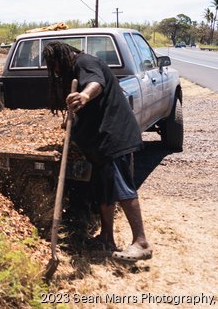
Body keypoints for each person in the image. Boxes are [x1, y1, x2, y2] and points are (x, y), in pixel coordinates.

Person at [42, 41, 152, 262]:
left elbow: (95, 83)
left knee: (122, 187)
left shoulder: (85, 62)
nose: (54, 70)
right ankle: (107, 239)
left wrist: (84, 96)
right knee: (105, 191)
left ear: (62, 57)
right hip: (99, 141)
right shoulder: (74, 69)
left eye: (54, 65)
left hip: (114, 137)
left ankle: (141, 243)